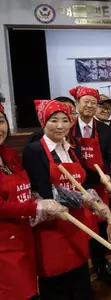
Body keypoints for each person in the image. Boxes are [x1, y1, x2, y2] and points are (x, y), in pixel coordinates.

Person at [23, 100, 108, 300]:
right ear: (44, 123)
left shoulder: (70, 148)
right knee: (57, 285)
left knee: (79, 279)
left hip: (76, 225)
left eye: (65, 120)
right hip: (52, 228)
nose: (60, 126)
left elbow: (82, 180)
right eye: (54, 121)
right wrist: (83, 199)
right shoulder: (34, 150)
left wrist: (96, 199)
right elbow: (43, 191)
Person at [0, 103, 67, 300]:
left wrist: (36, 199)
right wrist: (35, 206)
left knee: (30, 289)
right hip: (3, 246)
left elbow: (25, 188)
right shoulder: (33, 150)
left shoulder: (9, 155)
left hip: (23, 236)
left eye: (1, 121)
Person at [69, 86, 111, 283]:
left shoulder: (106, 131)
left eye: (93, 102)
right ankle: (81, 267)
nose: (90, 106)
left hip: (101, 187)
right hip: (77, 188)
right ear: (77, 104)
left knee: (100, 225)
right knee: (80, 227)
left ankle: (99, 265)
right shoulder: (69, 128)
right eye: (86, 102)